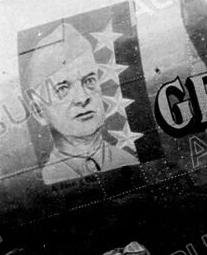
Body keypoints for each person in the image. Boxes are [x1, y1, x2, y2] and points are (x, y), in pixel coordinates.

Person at [24, 22, 138, 185]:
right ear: (39, 111)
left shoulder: (128, 161)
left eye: (89, 80)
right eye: (62, 88)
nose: (82, 98)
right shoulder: (46, 179)